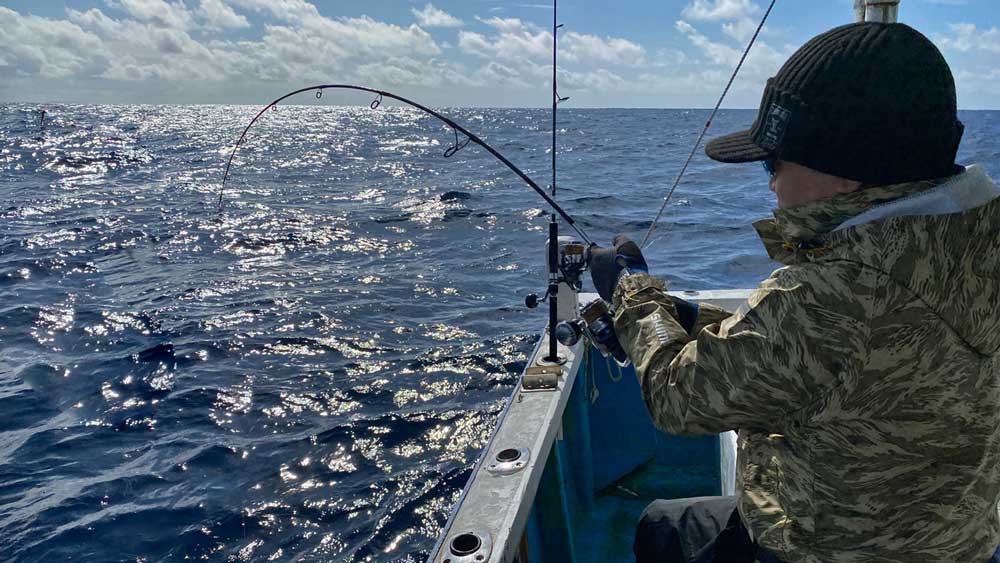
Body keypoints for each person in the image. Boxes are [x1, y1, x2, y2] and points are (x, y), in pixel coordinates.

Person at [588, 21, 1000, 563]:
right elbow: (849, 353)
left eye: (773, 162)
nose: (770, 183)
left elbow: (678, 397)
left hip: (830, 548)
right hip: (959, 540)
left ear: (848, 172)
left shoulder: (839, 287)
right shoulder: (977, 240)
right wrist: (691, 317)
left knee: (661, 528)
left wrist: (631, 292)